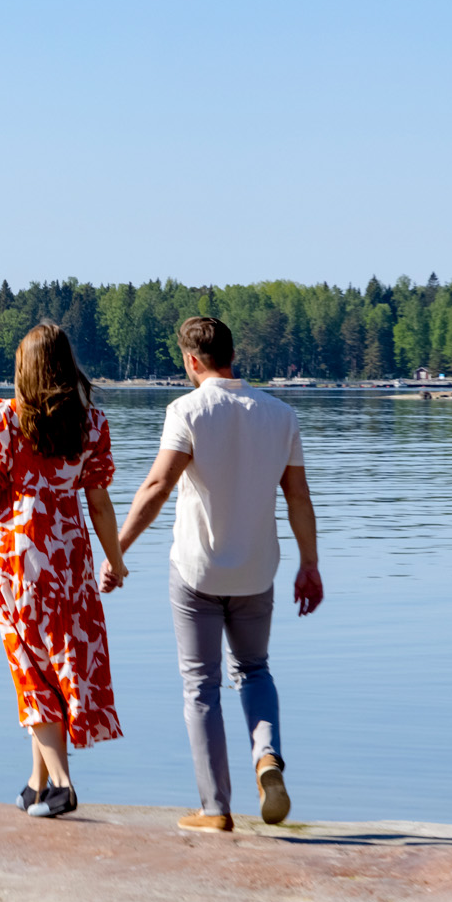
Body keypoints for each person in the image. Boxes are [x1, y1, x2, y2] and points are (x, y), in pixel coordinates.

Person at [113, 316, 323, 832]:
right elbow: (298, 497)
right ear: (232, 355)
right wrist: (310, 564)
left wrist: (115, 552)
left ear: (190, 361)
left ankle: (215, 809)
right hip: (257, 570)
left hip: (197, 572)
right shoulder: (280, 414)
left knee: (201, 686)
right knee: (254, 669)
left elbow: (157, 487)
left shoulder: (186, 410)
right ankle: (267, 758)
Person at [0, 323, 127, 819]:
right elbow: (98, 503)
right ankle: (36, 783)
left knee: (30, 668)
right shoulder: (92, 423)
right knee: (53, 665)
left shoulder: (4, 418)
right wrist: (115, 561)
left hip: (18, 557)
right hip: (69, 557)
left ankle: (62, 784)